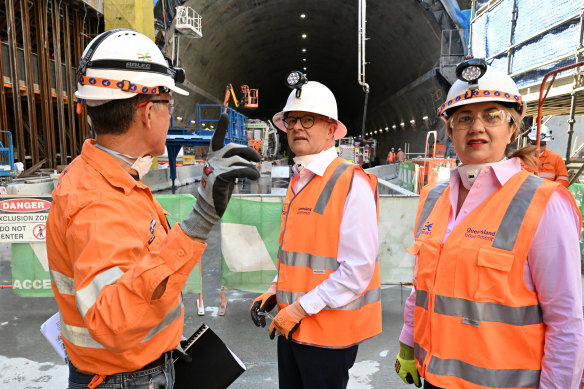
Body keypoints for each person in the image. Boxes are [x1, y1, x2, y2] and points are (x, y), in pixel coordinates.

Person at [46, 29, 260, 389]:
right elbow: (113, 320)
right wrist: (199, 222)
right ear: (147, 112)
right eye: (169, 105)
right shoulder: (96, 202)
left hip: (133, 371)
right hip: (125, 379)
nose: (171, 115)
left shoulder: (110, 180)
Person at [395, 58, 584, 389]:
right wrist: (407, 343)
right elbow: (421, 288)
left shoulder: (545, 203)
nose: (476, 127)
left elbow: (566, 322)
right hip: (434, 379)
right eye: (464, 117)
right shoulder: (432, 198)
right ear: (450, 129)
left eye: (492, 115)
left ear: (512, 127)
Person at [249, 76, 381, 388]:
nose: (296, 127)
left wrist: (298, 308)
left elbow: (357, 271)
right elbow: (296, 256)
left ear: (331, 130)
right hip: (292, 327)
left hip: (328, 337)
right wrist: (273, 291)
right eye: (292, 120)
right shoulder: (299, 181)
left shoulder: (352, 183)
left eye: (308, 119)